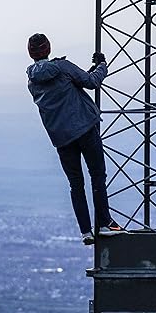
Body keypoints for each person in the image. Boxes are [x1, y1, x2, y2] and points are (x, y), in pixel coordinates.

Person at [25, 33, 126, 245]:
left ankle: (86, 231)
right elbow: (91, 82)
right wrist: (102, 65)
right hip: (85, 128)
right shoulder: (62, 67)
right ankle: (105, 223)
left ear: (30, 53)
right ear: (49, 48)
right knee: (97, 175)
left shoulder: (32, 82)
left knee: (76, 184)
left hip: (62, 138)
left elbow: (67, 88)